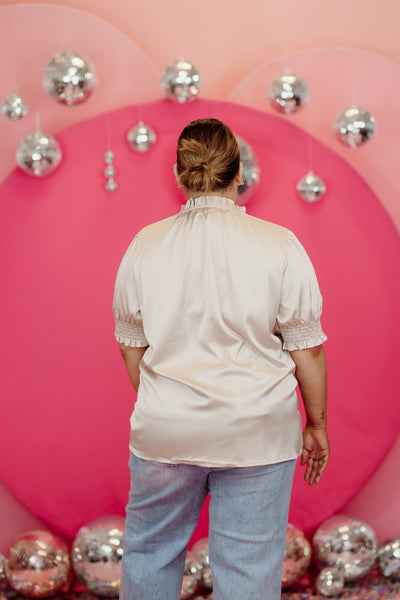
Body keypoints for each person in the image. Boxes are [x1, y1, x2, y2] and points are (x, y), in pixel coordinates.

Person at [113, 118, 329, 600]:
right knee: (248, 567)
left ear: (178, 174)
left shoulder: (144, 245)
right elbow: (307, 348)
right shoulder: (280, 245)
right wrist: (316, 423)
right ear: (240, 174)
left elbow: (131, 343)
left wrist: (167, 399)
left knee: (150, 551)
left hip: (165, 429)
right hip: (257, 431)